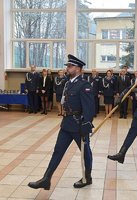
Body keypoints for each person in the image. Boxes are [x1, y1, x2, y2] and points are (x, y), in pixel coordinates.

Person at [28, 54, 95, 190]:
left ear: (78, 68)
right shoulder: (68, 83)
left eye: (70, 66)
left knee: (85, 152)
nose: (68, 68)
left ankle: (87, 178)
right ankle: (46, 179)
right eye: (68, 66)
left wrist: (87, 124)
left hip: (78, 124)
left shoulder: (84, 84)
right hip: (67, 123)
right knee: (58, 150)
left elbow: (89, 107)